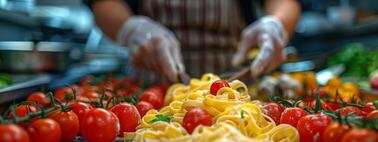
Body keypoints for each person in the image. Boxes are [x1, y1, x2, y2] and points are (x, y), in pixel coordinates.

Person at [85, 0, 301, 82]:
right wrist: (131, 29)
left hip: (238, 90)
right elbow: (103, 3)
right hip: (149, 93)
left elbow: (286, 2)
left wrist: (275, 24)